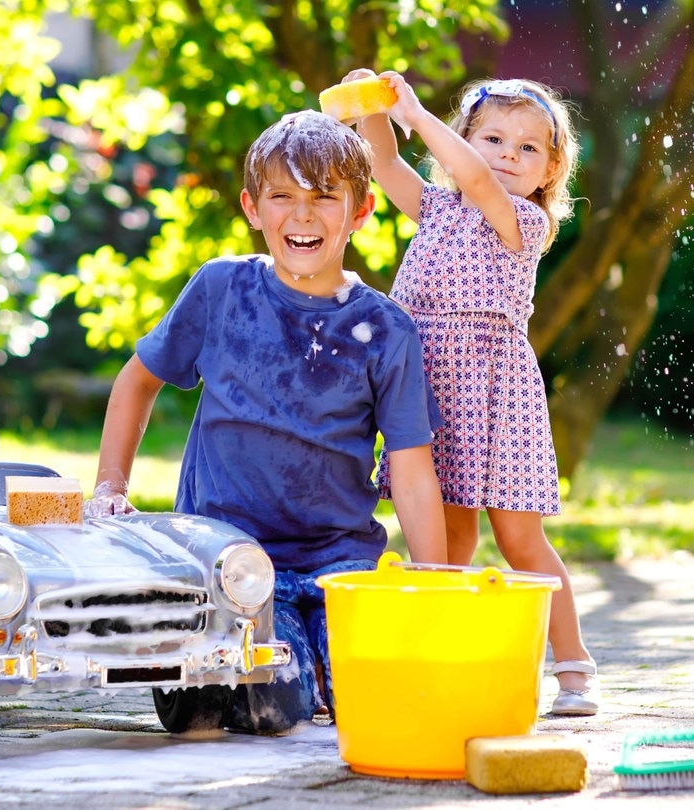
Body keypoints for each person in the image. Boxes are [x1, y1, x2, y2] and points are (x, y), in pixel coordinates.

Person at [84, 109, 448, 734]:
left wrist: (437, 590)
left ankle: (293, 661)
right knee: (280, 705)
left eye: (324, 197)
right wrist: (109, 489)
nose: (302, 215)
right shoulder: (221, 289)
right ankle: (197, 672)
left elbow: (412, 473)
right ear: (254, 207)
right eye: (283, 197)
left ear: (360, 212)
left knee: (373, 695)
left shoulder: (387, 329)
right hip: (237, 563)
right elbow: (135, 382)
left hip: (342, 562)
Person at [342, 70, 600, 716]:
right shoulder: (436, 207)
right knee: (445, 541)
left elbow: (479, 181)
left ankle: (573, 666)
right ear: (463, 142)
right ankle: (445, 656)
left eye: (527, 148)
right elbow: (386, 162)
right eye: (492, 138)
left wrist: (417, 113)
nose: (507, 155)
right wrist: (373, 106)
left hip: (492, 389)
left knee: (518, 539)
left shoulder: (523, 221)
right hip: (429, 382)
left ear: (549, 170)